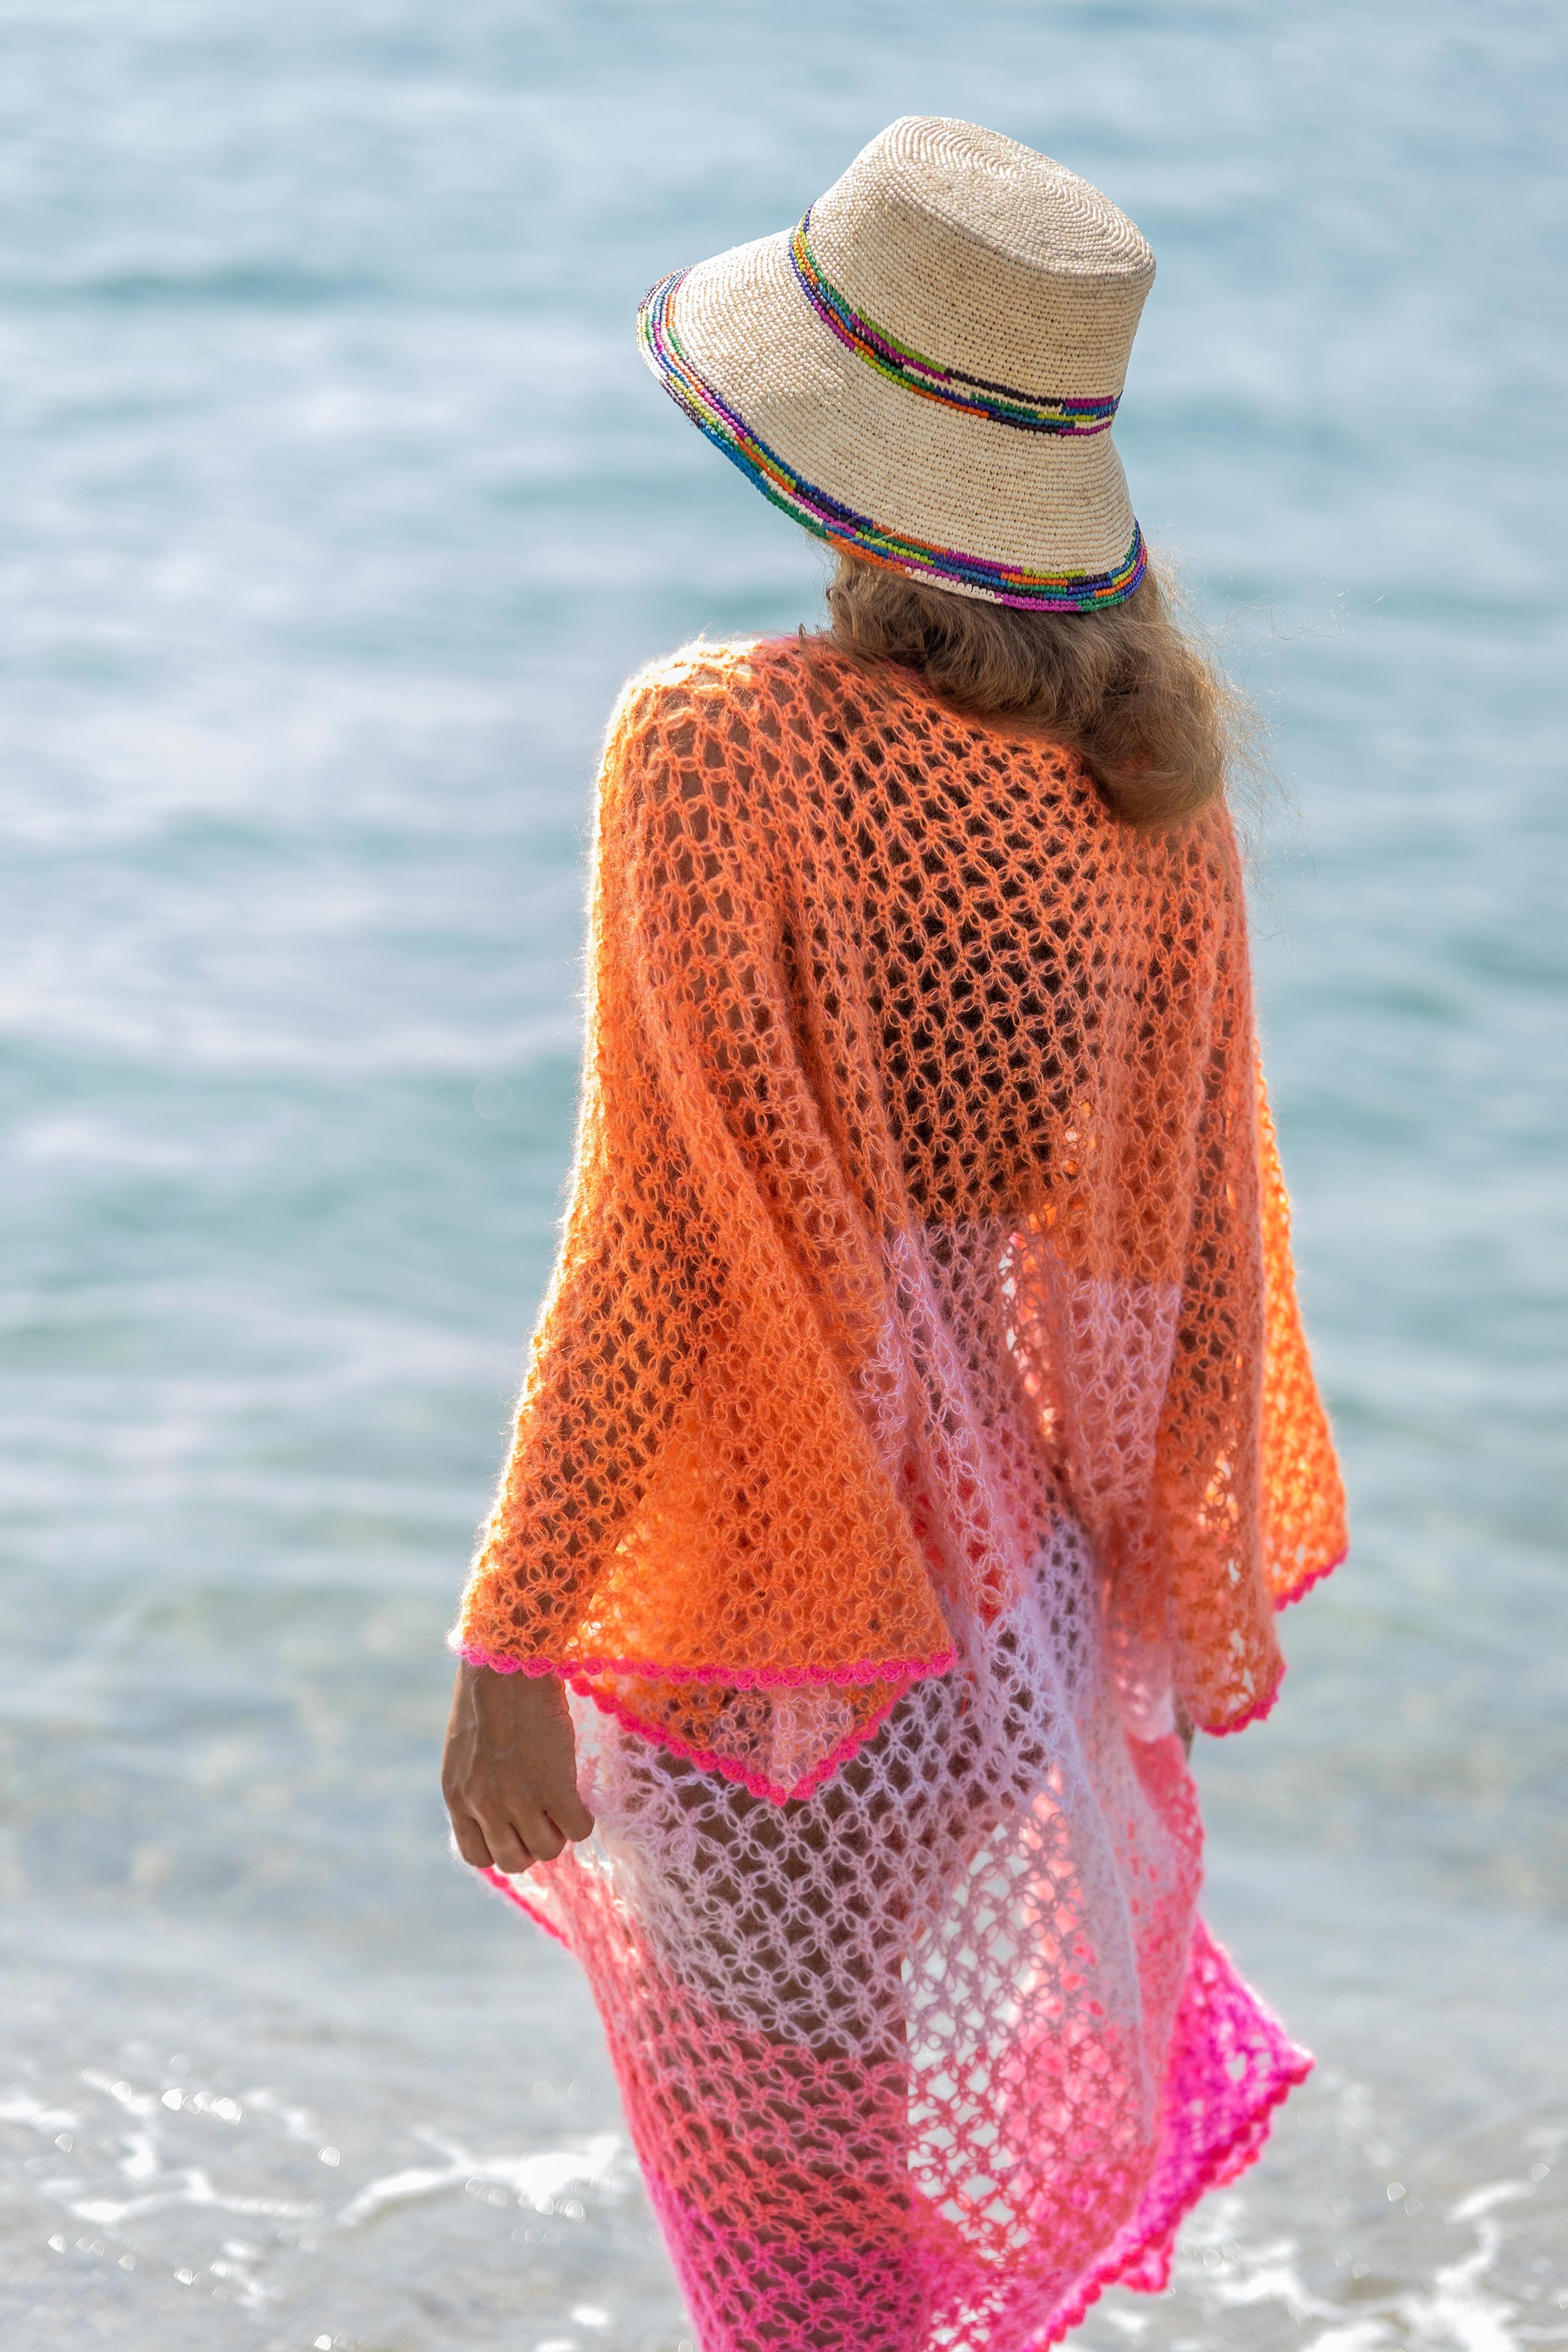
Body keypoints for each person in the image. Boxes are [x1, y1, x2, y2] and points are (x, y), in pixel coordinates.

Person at [440, 116, 1346, 2352]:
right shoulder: (1151, 801)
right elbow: (1193, 1257)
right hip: (1012, 1600)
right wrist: (1127, 1598)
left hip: (786, 1605)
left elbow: (666, 1239)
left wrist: (513, 1637)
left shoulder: (719, 742)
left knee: (800, 2252)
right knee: (848, 2196)